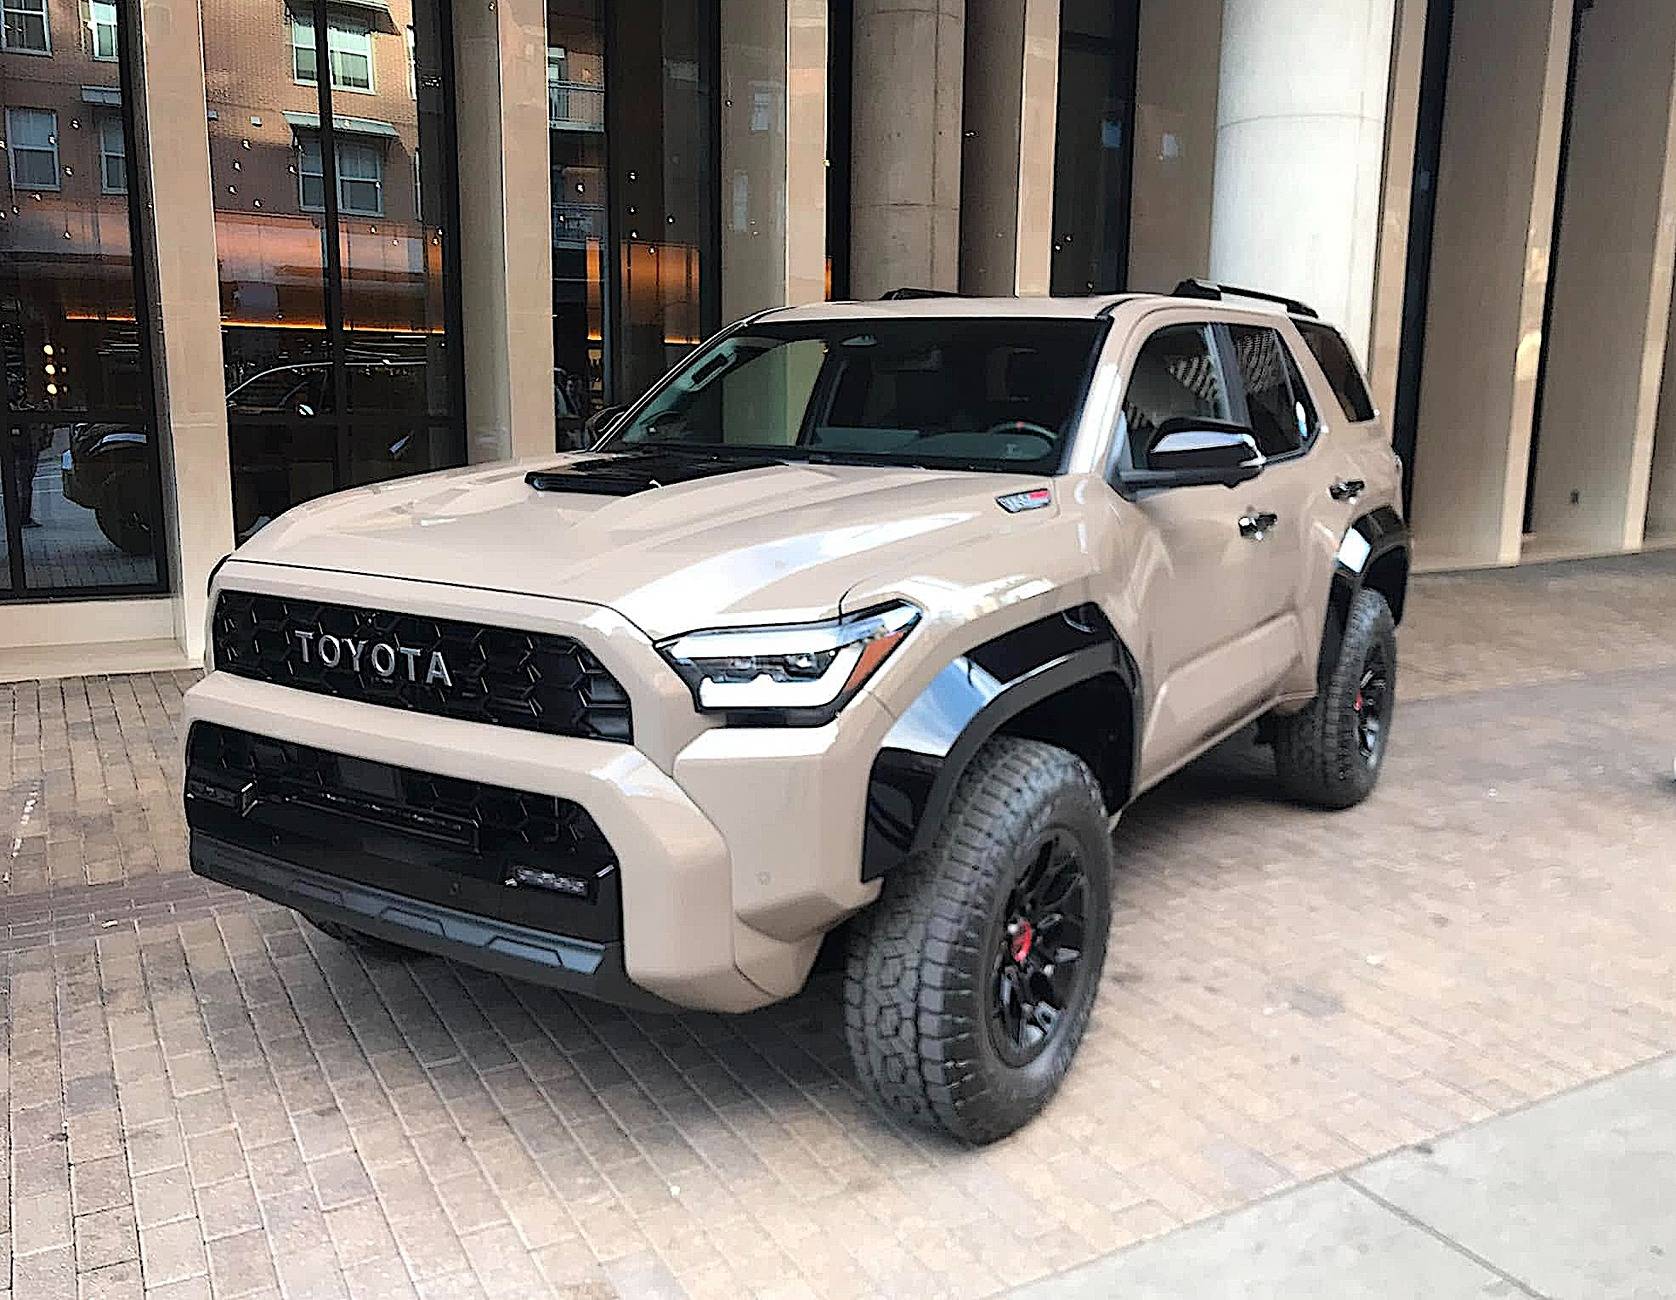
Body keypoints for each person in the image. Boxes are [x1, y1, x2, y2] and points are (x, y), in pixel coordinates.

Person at [11, 427, 47, 528]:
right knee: (23, 482)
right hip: (24, 443)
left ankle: (22, 515)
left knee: (23, 481)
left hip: (24, 441)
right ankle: (23, 517)